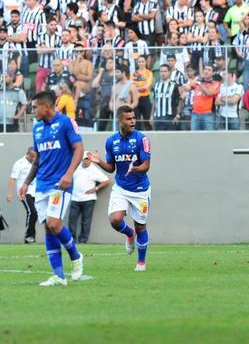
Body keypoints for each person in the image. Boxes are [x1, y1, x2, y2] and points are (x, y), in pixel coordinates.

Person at [18, 91, 84, 286]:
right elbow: (38, 160)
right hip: (42, 185)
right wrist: (26, 182)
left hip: (60, 184)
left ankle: (76, 256)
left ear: (47, 106)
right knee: (48, 228)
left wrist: (69, 174)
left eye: (35, 107)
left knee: (55, 224)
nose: (33, 111)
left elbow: (79, 149)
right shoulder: (37, 128)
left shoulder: (65, 122)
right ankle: (59, 276)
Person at [88, 105, 151, 272]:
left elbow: (146, 166)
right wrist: (99, 161)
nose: (132, 121)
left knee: (141, 226)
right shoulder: (111, 141)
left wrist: (135, 169)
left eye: (134, 118)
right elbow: (111, 168)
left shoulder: (142, 139)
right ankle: (129, 234)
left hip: (140, 190)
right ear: (120, 121)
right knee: (115, 220)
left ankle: (141, 263)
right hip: (121, 188)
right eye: (128, 119)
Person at [68, 151, 110, 244]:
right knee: (72, 220)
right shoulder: (76, 168)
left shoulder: (94, 170)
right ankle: (72, 240)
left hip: (88, 199)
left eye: (88, 159)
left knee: (86, 221)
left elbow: (107, 181)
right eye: (85, 159)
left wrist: (96, 188)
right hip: (75, 198)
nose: (87, 161)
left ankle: (83, 240)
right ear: (82, 159)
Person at [7, 147, 38, 243]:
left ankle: (31, 236)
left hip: (35, 192)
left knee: (34, 214)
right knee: (32, 212)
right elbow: (13, 178)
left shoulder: (36, 163)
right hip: (24, 193)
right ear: (27, 154)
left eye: (35, 157)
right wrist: (10, 193)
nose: (33, 159)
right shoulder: (19, 163)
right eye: (32, 156)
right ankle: (28, 236)